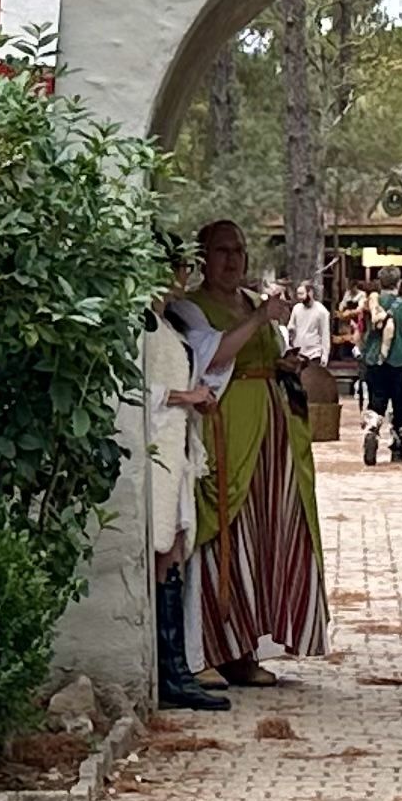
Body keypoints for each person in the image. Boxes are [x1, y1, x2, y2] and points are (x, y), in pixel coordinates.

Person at [180, 222, 327, 685]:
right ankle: (208, 649)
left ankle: (245, 648)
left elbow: (263, 355)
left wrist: (286, 363)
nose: (232, 260)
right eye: (222, 251)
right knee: (221, 533)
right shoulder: (190, 307)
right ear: (203, 258)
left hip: (271, 435)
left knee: (262, 537)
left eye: (239, 251)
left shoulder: (249, 302)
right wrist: (261, 318)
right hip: (226, 433)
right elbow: (214, 356)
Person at [139, 285, 228, 711]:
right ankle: (168, 672)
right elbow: (133, 389)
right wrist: (184, 397)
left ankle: (175, 669)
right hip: (155, 446)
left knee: (173, 549)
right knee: (161, 548)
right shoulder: (139, 326)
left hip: (177, 447)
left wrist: (198, 398)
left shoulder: (172, 324)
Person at [354, 278, 402, 466]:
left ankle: (372, 428)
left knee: (376, 400)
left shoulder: (368, 306)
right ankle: (398, 445)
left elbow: (359, 335)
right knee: (400, 403)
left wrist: (362, 352)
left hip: (374, 360)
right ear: (398, 283)